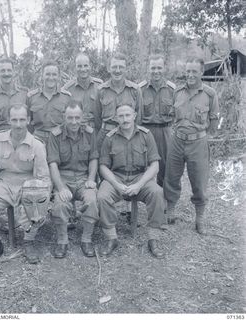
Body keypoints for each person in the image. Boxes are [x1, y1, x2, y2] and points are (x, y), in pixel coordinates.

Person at [0, 104, 52, 264]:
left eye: (22, 120)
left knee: (38, 201)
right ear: (9, 120)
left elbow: (43, 177)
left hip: (28, 185)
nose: (18, 124)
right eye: (14, 119)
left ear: (28, 120)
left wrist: (41, 195)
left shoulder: (37, 145)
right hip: (4, 184)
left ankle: (28, 241)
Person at [97, 104, 167, 258]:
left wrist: (139, 185)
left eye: (128, 115)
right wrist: (116, 184)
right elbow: (103, 167)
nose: (125, 119)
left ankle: (153, 239)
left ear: (134, 115)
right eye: (121, 116)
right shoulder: (110, 138)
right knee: (102, 196)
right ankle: (111, 238)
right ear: (116, 118)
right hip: (117, 177)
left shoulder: (146, 135)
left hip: (139, 177)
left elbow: (154, 165)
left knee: (157, 193)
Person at [164, 57, 219, 233]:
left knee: (199, 181)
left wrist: (199, 135)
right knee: (171, 177)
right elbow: (172, 115)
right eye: (188, 71)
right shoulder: (177, 92)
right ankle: (170, 209)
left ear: (201, 72)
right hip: (177, 140)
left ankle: (200, 218)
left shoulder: (210, 94)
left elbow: (213, 123)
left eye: (194, 71)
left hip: (198, 143)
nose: (190, 75)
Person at [47, 101, 99, 259]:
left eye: (77, 117)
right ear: (64, 117)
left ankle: (86, 239)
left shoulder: (90, 133)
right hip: (64, 177)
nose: (74, 122)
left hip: (84, 177)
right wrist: (60, 187)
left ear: (82, 117)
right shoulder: (55, 135)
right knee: (60, 204)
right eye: (70, 118)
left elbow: (93, 158)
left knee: (91, 200)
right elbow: (53, 164)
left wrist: (91, 178)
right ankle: (62, 240)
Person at [139, 54, 176, 187]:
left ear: (164, 68)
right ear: (148, 68)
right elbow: (136, 115)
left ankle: (163, 199)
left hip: (165, 131)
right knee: (142, 165)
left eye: (159, 68)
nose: (156, 71)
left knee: (165, 166)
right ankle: (139, 200)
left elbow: (177, 114)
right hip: (145, 131)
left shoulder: (172, 89)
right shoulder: (140, 89)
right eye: (153, 68)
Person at [94, 52, 142, 150]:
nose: (117, 70)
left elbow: (139, 117)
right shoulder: (101, 90)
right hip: (105, 135)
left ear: (126, 69)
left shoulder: (135, 90)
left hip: (127, 136)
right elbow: (97, 119)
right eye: (114, 67)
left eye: (121, 67)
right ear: (108, 68)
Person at [27, 60, 71, 146]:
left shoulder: (66, 97)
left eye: (54, 74)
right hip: (37, 140)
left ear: (58, 77)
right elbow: (28, 123)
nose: (51, 78)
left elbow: (69, 122)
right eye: (47, 74)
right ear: (42, 76)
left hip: (59, 140)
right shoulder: (31, 97)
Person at [63, 53, 102, 128]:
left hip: (95, 128)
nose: (83, 69)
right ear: (75, 68)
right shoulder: (67, 88)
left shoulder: (99, 85)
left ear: (90, 67)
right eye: (79, 66)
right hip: (76, 129)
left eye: (85, 65)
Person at [0, 58, 28, 132]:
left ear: (14, 72)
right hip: (0, 136)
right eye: (3, 70)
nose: (6, 74)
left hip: (20, 134)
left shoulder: (24, 93)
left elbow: (30, 119)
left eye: (9, 70)